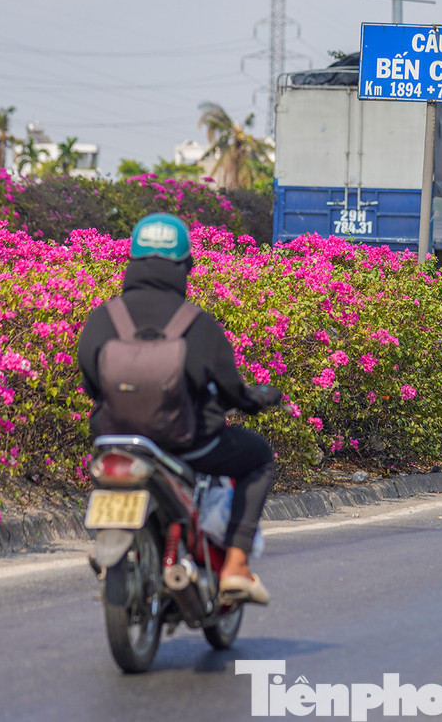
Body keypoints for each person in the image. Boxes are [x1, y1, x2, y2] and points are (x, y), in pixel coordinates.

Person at [76, 213, 279, 605]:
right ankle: (235, 567)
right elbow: (233, 390)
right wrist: (257, 399)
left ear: (132, 262)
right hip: (186, 443)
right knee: (258, 458)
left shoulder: (103, 318)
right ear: (184, 267)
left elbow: (90, 382)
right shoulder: (197, 324)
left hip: (114, 438)